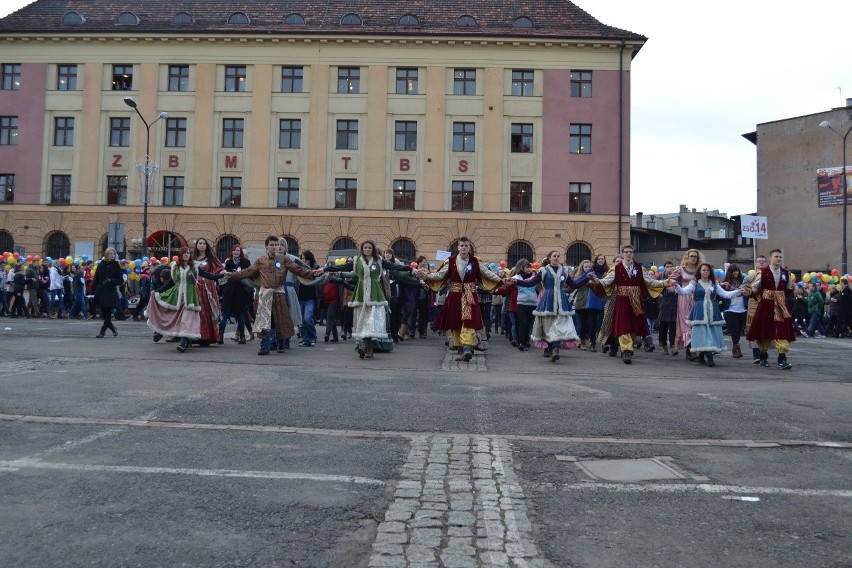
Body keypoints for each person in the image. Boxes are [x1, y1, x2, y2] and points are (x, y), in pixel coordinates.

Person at [224, 236, 322, 355]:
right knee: (265, 322)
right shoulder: (260, 261)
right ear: (266, 247)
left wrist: (312, 273)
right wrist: (233, 275)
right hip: (265, 295)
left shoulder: (283, 259)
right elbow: (248, 272)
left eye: (276, 245)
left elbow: (298, 270)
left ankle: (281, 344)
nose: (275, 247)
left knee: (280, 321)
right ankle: (265, 346)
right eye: (272, 245)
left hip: (279, 294)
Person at [417, 237, 505, 361]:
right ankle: (461, 349)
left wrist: (502, 280)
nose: (464, 248)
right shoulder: (451, 261)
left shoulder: (475, 261)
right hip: (455, 296)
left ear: (469, 247)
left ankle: (467, 347)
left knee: (468, 321)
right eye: (462, 245)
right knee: (456, 322)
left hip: (469, 295)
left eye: (466, 246)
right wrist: (426, 275)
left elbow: (487, 274)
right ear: (458, 247)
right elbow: (439, 275)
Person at [327, 240, 413, 358]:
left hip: (375, 294)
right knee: (362, 321)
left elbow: (395, 267)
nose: (367, 249)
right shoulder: (357, 261)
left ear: (373, 249)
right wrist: (328, 270)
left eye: (369, 248)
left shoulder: (379, 261)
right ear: (362, 249)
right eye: (365, 248)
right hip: (361, 293)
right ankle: (366, 347)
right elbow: (345, 268)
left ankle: (367, 346)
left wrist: (411, 270)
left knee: (372, 321)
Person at [512, 250, 594, 362]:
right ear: (549, 258)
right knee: (548, 325)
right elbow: (530, 283)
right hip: (548, 299)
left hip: (561, 301)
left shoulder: (564, 271)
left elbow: (574, 285)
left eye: (558, 256)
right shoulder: (544, 271)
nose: (556, 258)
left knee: (558, 325)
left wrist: (587, 277)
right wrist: (516, 281)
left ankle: (555, 348)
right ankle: (550, 348)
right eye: (554, 256)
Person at [593, 245, 669, 364]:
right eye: (626, 252)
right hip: (622, 300)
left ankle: (629, 346)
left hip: (636, 300)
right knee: (623, 326)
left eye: (630, 252)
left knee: (634, 326)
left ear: (633, 254)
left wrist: (665, 282)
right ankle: (626, 351)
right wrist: (596, 280)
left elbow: (650, 282)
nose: (628, 254)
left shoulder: (639, 268)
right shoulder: (616, 268)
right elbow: (606, 281)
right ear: (623, 253)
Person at [672, 263, 744, 367]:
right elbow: (683, 292)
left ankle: (703, 355)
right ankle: (708, 357)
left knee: (711, 334)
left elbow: (725, 294)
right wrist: (676, 286)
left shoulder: (714, 284)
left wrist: (738, 292)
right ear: (699, 272)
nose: (706, 272)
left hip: (712, 311)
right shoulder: (694, 283)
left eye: (707, 270)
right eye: (703, 270)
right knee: (701, 333)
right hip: (699, 311)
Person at [148, 247, 219, 352]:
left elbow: (209, 276)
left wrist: (223, 275)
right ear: (180, 255)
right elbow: (170, 283)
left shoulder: (195, 267)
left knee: (186, 320)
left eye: (188, 253)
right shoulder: (175, 268)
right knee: (174, 318)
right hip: (176, 297)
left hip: (190, 298)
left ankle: (183, 342)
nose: (186, 255)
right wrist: (158, 291)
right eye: (184, 253)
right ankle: (165, 334)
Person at [745, 248, 796, 370]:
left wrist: (781, 297)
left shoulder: (785, 273)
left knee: (781, 330)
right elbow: (755, 288)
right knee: (765, 330)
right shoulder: (763, 273)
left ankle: (782, 359)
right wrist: (748, 291)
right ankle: (763, 356)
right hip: (766, 305)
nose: (778, 259)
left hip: (781, 306)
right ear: (770, 258)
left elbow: (789, 289)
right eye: (776, 256)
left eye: (780, 257)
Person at [219, 243, 254, 345]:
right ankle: (220, 336)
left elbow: (249, 274)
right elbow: (223, 275)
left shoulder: (246, 262)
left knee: (240, 314)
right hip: (229, 289)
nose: (236, 252)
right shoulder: (228, 262)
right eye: (234, 250)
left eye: (238, 250)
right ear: (232, 251)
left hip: (241, 290)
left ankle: (242, 336)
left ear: (241, 252)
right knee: (225, 313)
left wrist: (239, 273)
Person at [193, 237, 224, 345]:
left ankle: (207, 337)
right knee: (196, 311)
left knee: (206, 310)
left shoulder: (211, 259)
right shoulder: (192, 258)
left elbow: (219, 269)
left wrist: (224, 273)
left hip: (207, 287)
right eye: (200, 243)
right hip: (194, 287)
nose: (202, 245)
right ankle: (194, 335)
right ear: (196, 245)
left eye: (204, 243)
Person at [91, 247, 124, 338]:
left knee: (108, 313)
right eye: (110, 253)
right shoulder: (101, 264)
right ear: (106, 254)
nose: (112, 255)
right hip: (101, 291)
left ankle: (102, 332)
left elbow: (120, 280)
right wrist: (92, 291)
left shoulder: (116, 265)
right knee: (103, 314)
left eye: (113, 253)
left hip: (110, 292)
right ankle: (113, 328)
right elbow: (96, 278)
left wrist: (111, 280)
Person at [720, 264, 748, 358]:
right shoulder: (726, 283)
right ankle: (736, 348)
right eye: (733, 271)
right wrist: (725, 287)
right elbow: (721, 294)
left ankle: (735, 345)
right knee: (733, 329)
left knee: (739, 328)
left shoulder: (743, 281)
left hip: (742, 308)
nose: (735, 273)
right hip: (730, 308)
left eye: (737, 271)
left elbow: (746, 292)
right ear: (729, 272)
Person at [657, 266, 678, 354]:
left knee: (673, 328)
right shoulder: (663, 283)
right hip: (665, 306)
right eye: (669, 274)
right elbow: (656, 292)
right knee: (663, 327)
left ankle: (673, 346)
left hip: (675, 306)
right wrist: (660, 296)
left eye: (673, 273)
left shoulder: (678, 284)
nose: (671, 275)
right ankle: (664, 345)